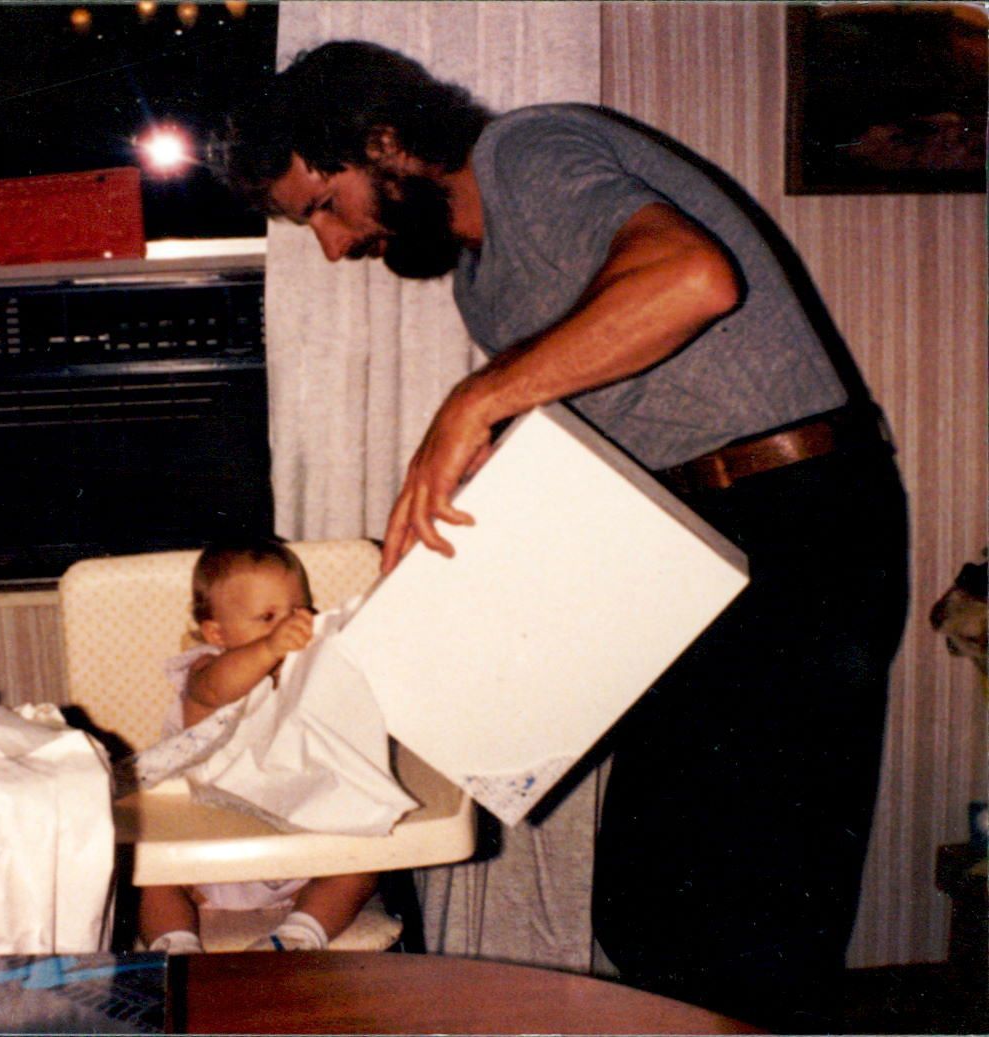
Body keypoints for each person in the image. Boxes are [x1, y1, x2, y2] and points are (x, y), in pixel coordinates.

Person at [215, 40, 909, 1029]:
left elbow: (691, 279)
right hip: (691, 545)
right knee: (650, 894)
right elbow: (586, 420)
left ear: (383, 141)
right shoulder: (477, 279)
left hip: (795, 516)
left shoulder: (527, 152)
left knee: (752, 903)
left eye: (324, 205)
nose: (331, 246)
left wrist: (473, 401)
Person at [138, 538, 379, 954]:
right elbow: (217, 689)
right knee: (150, 880)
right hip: (203, 854)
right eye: (267, 617)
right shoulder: (205, 670)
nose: (289, 626)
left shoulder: (307, 673)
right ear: (216, 632)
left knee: (362, 867)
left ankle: (296, 937)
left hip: (297, 847)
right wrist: (269, 648)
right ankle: (177, 950)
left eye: (298, 610)